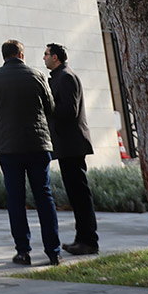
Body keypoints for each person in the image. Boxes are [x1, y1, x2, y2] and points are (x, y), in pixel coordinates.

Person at [0, 39, 61, 266]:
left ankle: (23, 251)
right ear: (22, 55)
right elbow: (51, 107)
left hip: (9, 147)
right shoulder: (37, 76)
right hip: (38, 144)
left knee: (16, 199)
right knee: (44, 196)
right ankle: (53, 251)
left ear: (4, 56)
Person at [44, 43, 98, 256]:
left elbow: (69, 110)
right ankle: (82, 238)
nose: (44, 58)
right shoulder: (60, 76)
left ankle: (88, 240)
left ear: (55, 57)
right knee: (76, 195)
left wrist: (47, 104)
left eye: (46, 54)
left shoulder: (66, 77)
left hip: (72, 145)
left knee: (80, 194)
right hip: (67, 145)